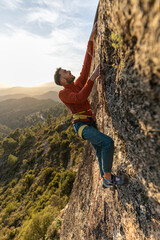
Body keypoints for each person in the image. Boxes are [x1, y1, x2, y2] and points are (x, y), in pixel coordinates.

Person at [54, 23, 124, 188]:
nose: (69, 71)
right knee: (107, 143)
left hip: (88, 123)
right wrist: (93, 77)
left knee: (100, 150)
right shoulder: (63, 93)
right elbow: (79, 98)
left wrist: (90, 40)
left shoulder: (77, 83)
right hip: (81, 126)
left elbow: (86, 67)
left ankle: (104, 178)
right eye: (65, 72)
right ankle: (108, 179)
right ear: (62, 80)